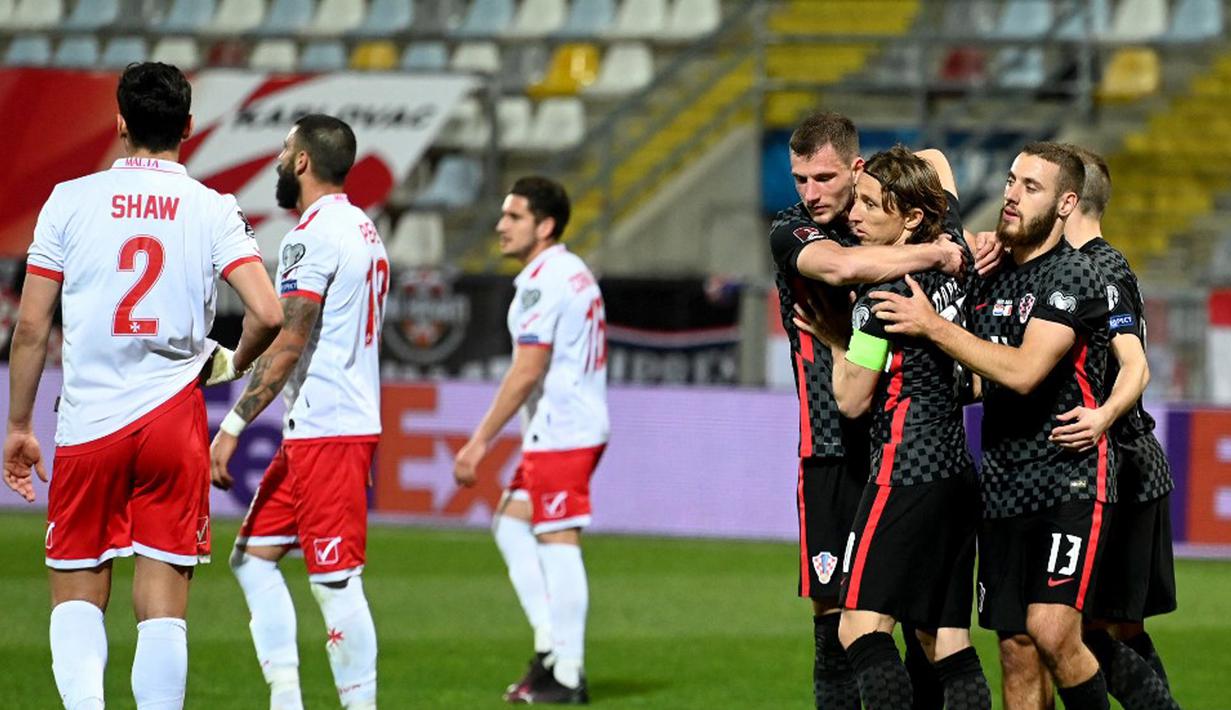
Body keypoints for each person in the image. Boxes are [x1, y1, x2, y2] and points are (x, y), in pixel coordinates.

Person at [2, 62, 282, 709]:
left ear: (120, 121)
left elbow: (31, 328)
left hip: (90, 421)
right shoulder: (212, 209)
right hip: (172, 421)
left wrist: (19, 427)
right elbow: (268, 312)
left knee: (76, 591)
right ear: (187, 126)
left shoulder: (69, 200)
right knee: (163, 608)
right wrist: (232, 362)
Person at [870, 142, 1117, 710]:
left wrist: (932, 327)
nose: (1011, 193)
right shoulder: (991, 270)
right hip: (1003, 483)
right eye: (1011, 179)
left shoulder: (1074, 274)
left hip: (1067, 478)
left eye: (1031, 187)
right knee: (1015, 646)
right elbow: (982, 374)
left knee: (1053, 629)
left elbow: (1026, 371)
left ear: (1064, 204)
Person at [767, 111, 971, 709]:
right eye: (800, 179)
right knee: (834, 626)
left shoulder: (886, 215)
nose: (811, 194)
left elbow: (933, 157)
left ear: (856, 170)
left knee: (919, 627)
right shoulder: (794, 232)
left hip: (903, 447)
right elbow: (842, 268)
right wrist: (940, 252)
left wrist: (936, 237)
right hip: (832, 447)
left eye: (825, 178)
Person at [210, 115, 387, 710]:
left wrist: (231, 426)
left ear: (304, 162)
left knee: (336, 582)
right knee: (252, 559)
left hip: (330, 429)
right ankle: (286, 698)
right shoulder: (363, 228)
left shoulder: (309, 236)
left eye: (286, 151)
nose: (282, 162)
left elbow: (288, 341)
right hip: (320, 425)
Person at [453, 176, 607, 704]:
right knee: (510, 525)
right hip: (562, 426)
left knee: (558, 541)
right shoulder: (572, 271)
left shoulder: (544, 282)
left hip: (564, 429)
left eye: (514, 216)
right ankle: (551, 643)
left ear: (544, 225)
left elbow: (526, 371)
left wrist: (478, 442)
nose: (500, 225)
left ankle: (568, 670)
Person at [1050, 145, 1178, 710]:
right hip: (1123, 460)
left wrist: (1102, 417)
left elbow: (1135, 364)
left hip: (1120, 460)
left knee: (1086, 630)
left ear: (1069, 199)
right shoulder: (1098, 264)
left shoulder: (1098, 269)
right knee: (1113, 627)